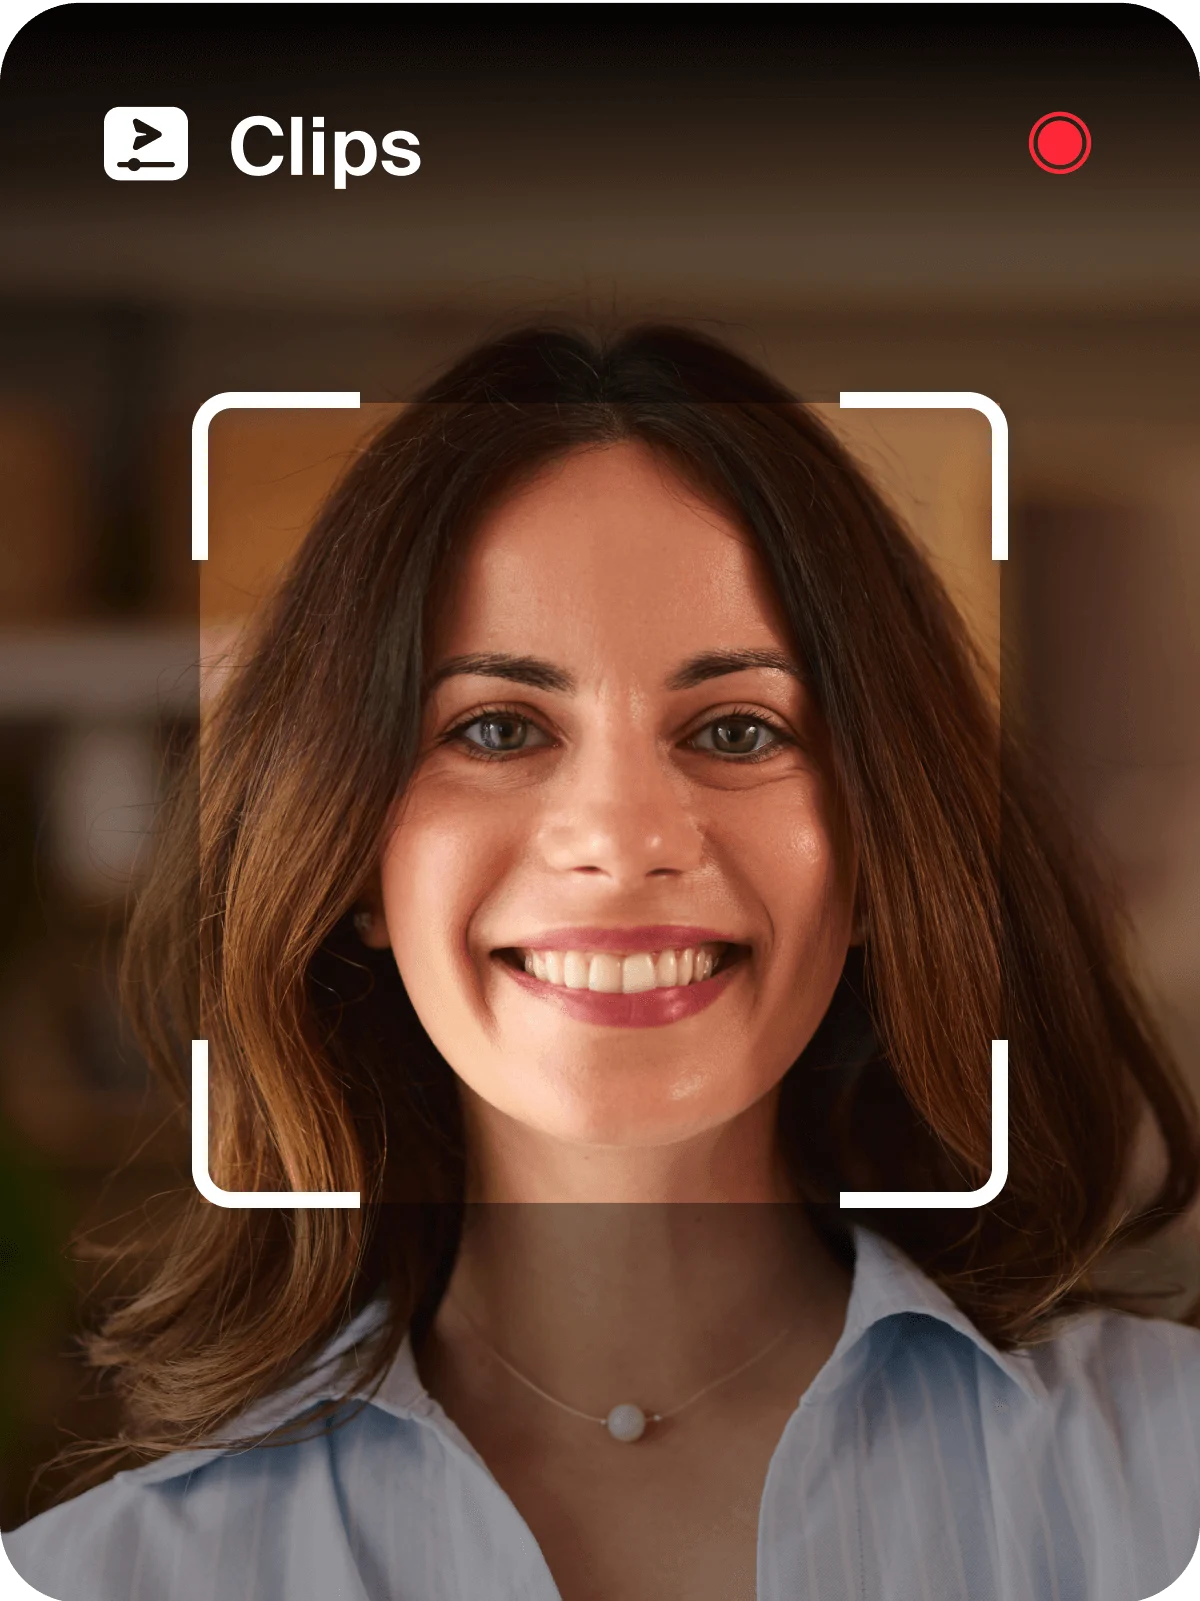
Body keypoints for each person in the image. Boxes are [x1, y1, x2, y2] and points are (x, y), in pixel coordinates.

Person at [3, 324, 1199, 1601]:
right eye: (499, 725)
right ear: (349, 860)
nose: (624, 841)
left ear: (876, 858)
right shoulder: (104, 1577)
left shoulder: (1169, 1469)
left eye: (740, 728)